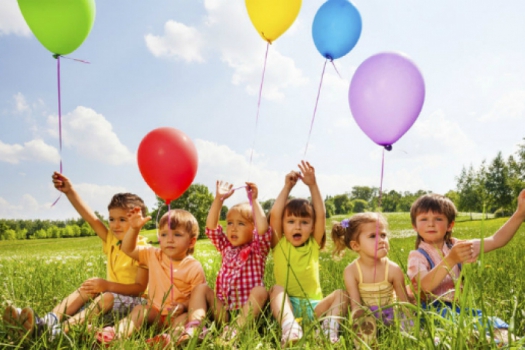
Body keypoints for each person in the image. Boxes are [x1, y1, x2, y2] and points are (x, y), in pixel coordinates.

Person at [2, 172, 149, 341]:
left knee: (105, 296)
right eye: (111, 219)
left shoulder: (143, 250)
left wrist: (106, 285)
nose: (115, 225)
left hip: (137, 304)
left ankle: (56, 333)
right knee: (87, 288)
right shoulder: (112, 240)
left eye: (122, 219)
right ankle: (48, 321)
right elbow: (91, 219)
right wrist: (69, 191)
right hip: (111, 298)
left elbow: (139, 288)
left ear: (139, 220)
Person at [407, 190, 525, 343]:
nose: (431, 223)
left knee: (492, 324)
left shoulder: (455, 246)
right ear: (414, 226)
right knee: (469, 331)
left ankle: (516, 343)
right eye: (424, 219)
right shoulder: (417, 256)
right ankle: (494, 343)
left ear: (450, 225)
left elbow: (496, 240)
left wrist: (520, 214)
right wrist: (451, 259)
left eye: (438, 218)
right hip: (433, 311)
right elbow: (424, 286)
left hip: (458, 309)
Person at [95, 208, 206, 346]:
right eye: (164, 234)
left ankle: (169, 340)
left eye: (177, 234)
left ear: (191, 242)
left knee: (184, 320)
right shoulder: (152, 255)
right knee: (140, 310)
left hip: (177, 314)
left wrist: (183, 306)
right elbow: (127, 249)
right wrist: (135, 228)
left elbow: (198, 299)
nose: (169, 240)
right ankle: (114, 334)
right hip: (155, 312)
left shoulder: (194, 267)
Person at [180, 181, 271, 345]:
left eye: (241, 223)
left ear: (254, 229)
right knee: (201, 288)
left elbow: (263, 229)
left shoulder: (257, 249)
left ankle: (233, 333)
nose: (233, 228)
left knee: (260, 291)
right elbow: (211, 228)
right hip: (224, 312)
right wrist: (218, 200)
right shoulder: (226, 247)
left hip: (248, 311)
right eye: (230, 223)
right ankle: (196, 326)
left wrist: (254, 200)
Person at [269, 161, 348, 346]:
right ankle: (290, 328)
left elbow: (321, 214)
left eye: (304, 222)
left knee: (342, 294)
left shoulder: (313, 243)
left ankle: (328, 329)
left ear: (312, 227)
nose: (297, 226)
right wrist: (287, 187)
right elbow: (274, 215)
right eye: (290, 221)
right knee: (275, 289)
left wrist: (312, 185)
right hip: (286, 307)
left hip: (315, 308)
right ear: (282, 225)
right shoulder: (279, 244)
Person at [332, 212, 410, 348]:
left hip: (390, 314)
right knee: (362, 320)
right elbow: (356, 306)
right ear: (356, 245)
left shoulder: (393, 269)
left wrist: (410, 323)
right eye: (373, 236)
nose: (381, 240)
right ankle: (366, 342)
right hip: (367, 314)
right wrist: (361, 320)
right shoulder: (351, 271)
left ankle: (417, 335)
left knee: (405, 321)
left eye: (383, 235)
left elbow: (404, 303)